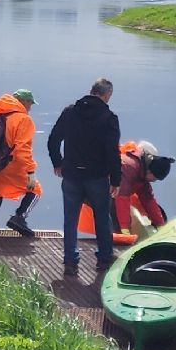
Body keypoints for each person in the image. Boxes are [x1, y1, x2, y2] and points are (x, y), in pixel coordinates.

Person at [44, 77, 123, 273]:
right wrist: (116, 180)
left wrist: (58, 162)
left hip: (71, 174)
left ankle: (70, 261)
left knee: (70, 219)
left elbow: (53, 140)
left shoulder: (70, 112)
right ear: (107, 95)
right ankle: (104, 259)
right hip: (97, 176)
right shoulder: (109, 118)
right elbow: (113, 152)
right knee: (102, 218)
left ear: (91, 90)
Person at [0, 89, 40, 237]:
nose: (30, 107)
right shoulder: (24, 119)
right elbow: (23, 149)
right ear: (23, 101)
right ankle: (19, 217)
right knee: (35, 190)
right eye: (30, 103)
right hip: (10, 166)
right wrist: (30, 172)